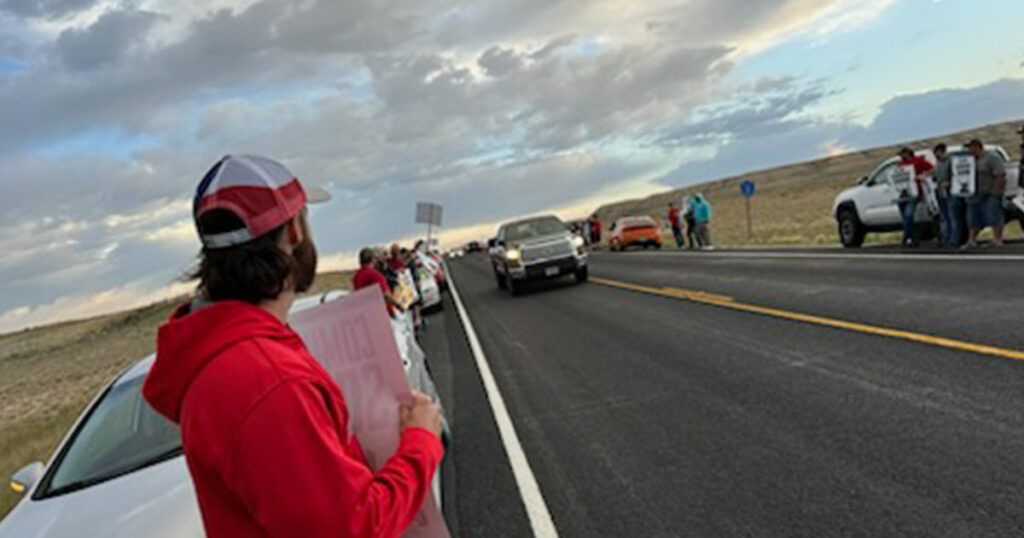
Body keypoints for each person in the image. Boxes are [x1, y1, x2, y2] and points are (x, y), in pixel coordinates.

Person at [143, 155, 442, 538]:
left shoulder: (223, 356)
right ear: (295, 232)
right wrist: (422, 442)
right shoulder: (268, 380)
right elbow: (352, 529)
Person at [965, 139, 1007, 248]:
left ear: (977, 147)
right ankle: (971, 240)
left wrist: (996, 191)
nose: (969, 150)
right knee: (972, 216)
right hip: (975, 193)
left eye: (971, 148)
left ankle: (998, 239)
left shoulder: (992, 157)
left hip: (990, 192)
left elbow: (1000, 174)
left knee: (994, 215)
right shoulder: (971, 161)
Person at [896, 147, 934, 247]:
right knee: (905, 218)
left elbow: (932, 169)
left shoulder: (918, 161)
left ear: (907, 153)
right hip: (902, 194)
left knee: (909, 215)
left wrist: (922, 175)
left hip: (914, 193)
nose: (901, 156)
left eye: (902, 154)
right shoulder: (900, 165)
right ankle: (912, 237)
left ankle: (907, 237)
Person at [932, 143, 958, 246]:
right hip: (940, 192)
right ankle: (945, 238)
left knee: (952, 215)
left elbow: (955, 176)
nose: (936, 155)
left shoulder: (951, 161)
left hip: (950, 192)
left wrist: (948, 183)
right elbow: (935, 176)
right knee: (944, 216)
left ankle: (954, 239)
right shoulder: (937, 164)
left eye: (937, 153)